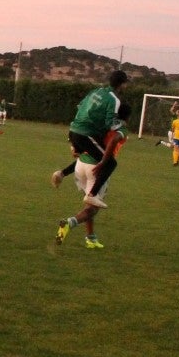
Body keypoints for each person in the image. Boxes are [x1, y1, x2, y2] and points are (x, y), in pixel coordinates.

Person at [57, 103, 131, 249]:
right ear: (128, 117)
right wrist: (104, 161)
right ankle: (69, 223)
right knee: (93, 208)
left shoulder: (102, 123)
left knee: (89, 204)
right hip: (97, 168)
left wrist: (65, 171)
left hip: (80, 164)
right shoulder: (122, 129)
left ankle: (91, 238)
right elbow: (115, 140)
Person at [51, 70, 128, 206]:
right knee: (110, 163)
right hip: (86, 134)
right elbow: (109, 123)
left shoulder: (95, 91)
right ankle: (92, 195)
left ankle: (61, 173)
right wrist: (121, 124)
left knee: (89, 156)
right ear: (122, 84)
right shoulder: (114, 99)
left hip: (73, 129)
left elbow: (79, 106)